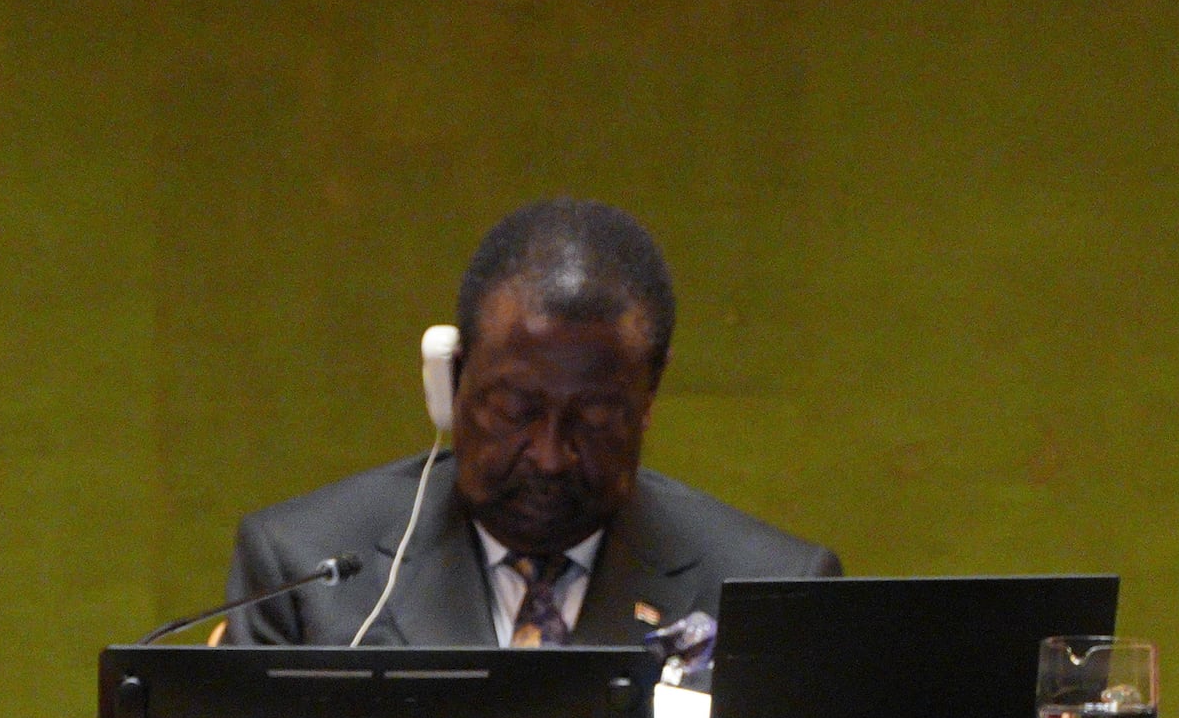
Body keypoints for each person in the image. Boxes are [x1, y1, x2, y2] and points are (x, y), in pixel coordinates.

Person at [220, 198, 839, 657]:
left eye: (594, 418)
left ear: (648, 394)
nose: (549, 456)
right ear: (453, 380)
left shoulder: (771, 597)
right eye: (515, 409)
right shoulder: (303, 572)